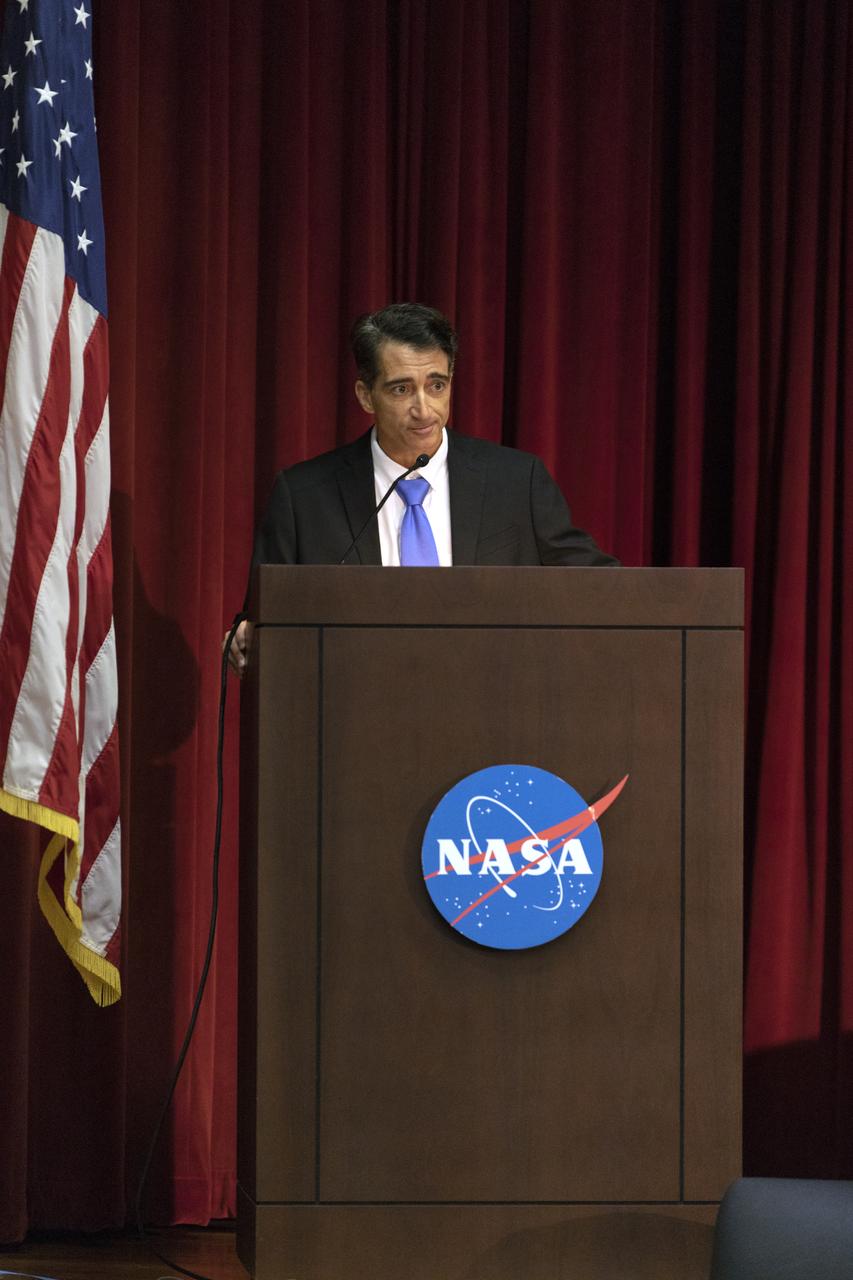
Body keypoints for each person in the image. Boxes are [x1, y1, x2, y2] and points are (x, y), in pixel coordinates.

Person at [226, 303, 617, 673]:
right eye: (401, 389)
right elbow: (263, 615)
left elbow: (598, 586)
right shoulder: (304, 496)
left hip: (495, 714)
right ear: (366, 396)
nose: (424, 409)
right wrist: (245, 636)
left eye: (436, 385)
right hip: (356, 718)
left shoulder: (516, 481)